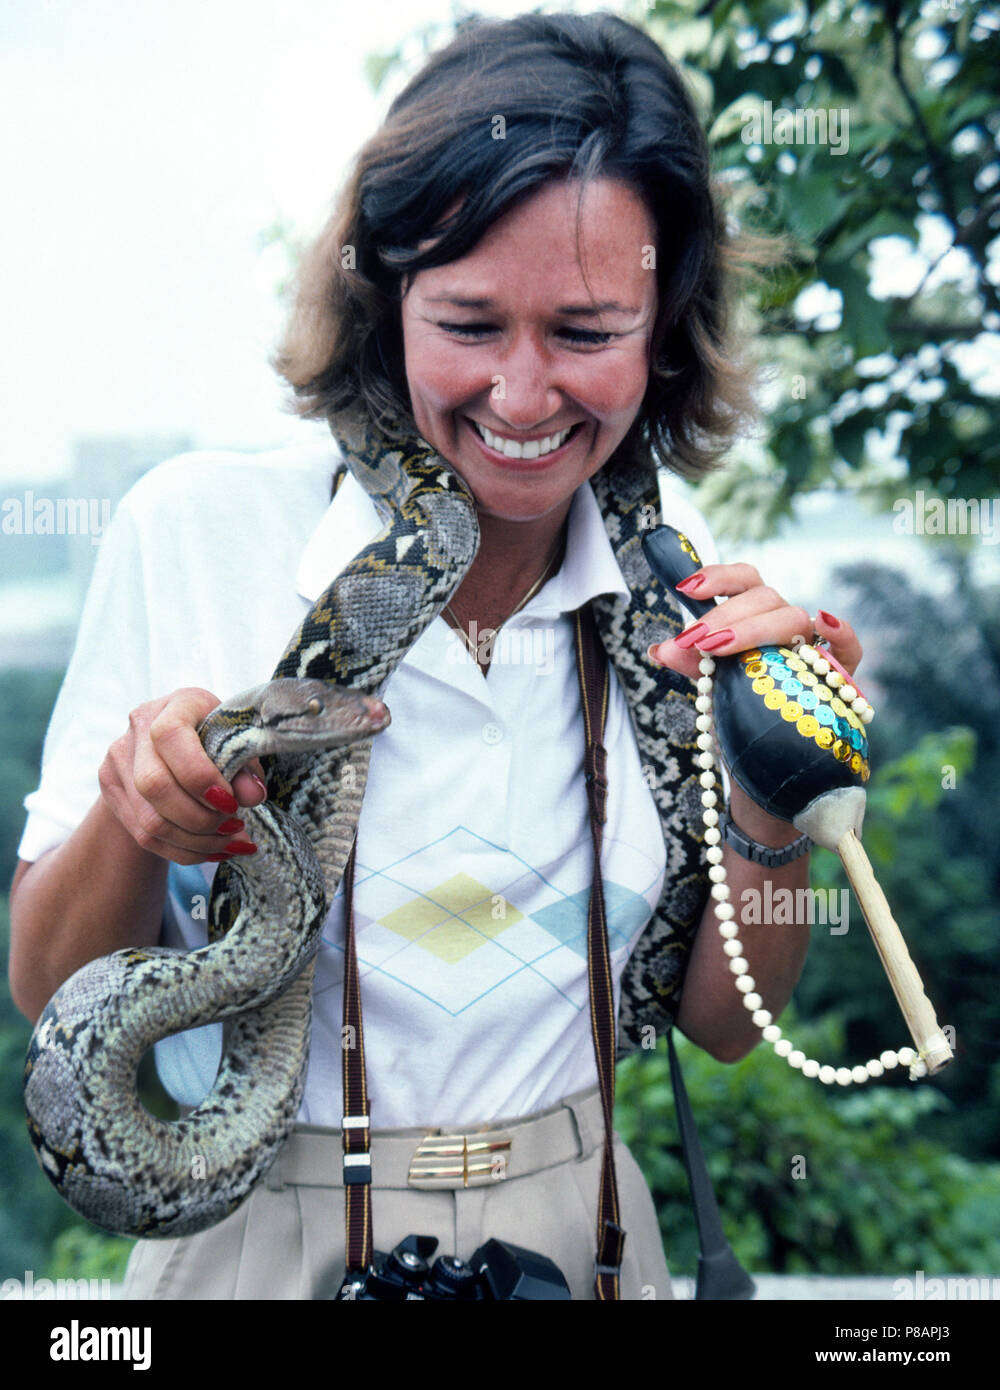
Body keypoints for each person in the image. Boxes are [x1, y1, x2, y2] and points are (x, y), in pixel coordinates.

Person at [10, 12, 863, 1300]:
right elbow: (47, 993)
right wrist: (139, 818)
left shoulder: (680, 597)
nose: (523, 398)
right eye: (469, 324)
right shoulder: (201, 530)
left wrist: (778, 774)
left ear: (665, 327)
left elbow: (727, 1028)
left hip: (584, 1239)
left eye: (584, 332)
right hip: (262, 1243)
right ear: (385, 302)